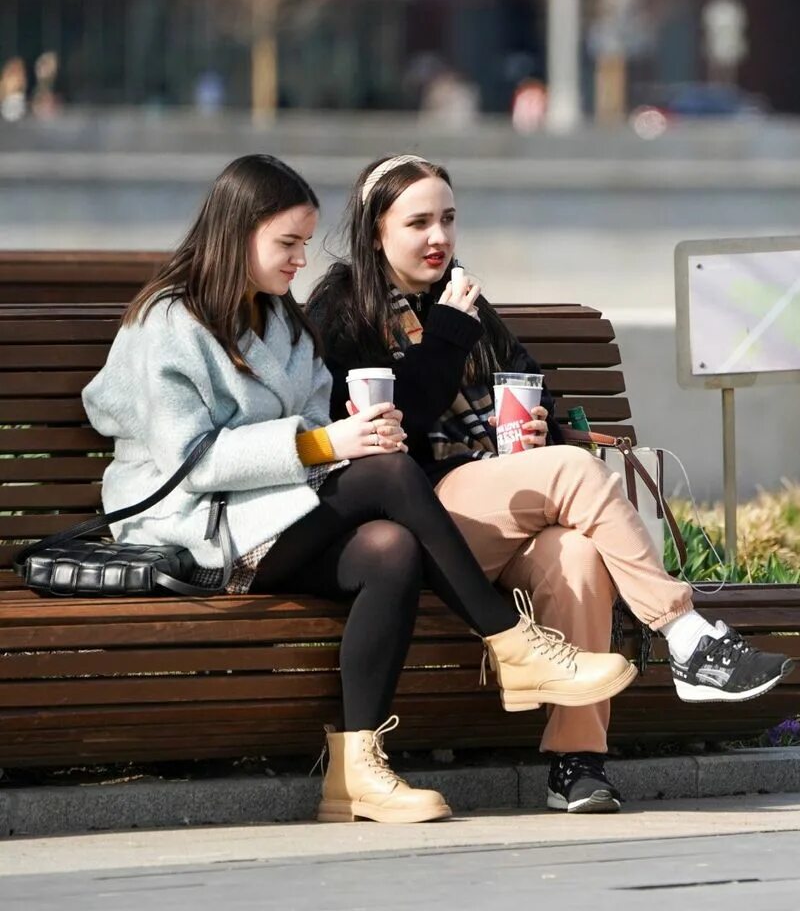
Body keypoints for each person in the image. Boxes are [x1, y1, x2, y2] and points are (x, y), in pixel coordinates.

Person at [81, 155, 637, 825]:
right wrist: (326, 445)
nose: (299, 260)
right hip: (197, 531)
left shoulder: (281, 322)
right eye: (286, 244)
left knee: (389, 547)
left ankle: (354, 774)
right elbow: (192, 460)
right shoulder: (168, 324)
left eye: (302, 244)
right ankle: (511, 642)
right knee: (389, 472)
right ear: (236, 235)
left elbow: (319, 419)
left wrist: (338, 437)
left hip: (273, 520)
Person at [305, 154, 794, 814]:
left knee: (579, 554)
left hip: (498, 506)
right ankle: (685, 633)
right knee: (571, 471)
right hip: (417, 513)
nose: (438, 237)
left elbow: (533, 396)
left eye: (448, 219)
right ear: (374, 232)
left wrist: (541, 430)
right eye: (418, 222)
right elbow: (401, 420)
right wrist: (448, 336)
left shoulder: (466, 300)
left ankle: (577, 762)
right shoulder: (344, 306)